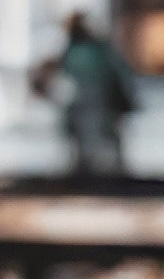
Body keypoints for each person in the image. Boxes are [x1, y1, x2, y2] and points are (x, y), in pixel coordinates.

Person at [46, 12, 140, 181]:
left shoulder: (80, 50)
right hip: (95, 102)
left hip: (92, 102)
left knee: (95, 141)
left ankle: (100, 173)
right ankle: (106, 173)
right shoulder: (97, 48)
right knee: (103, 140)